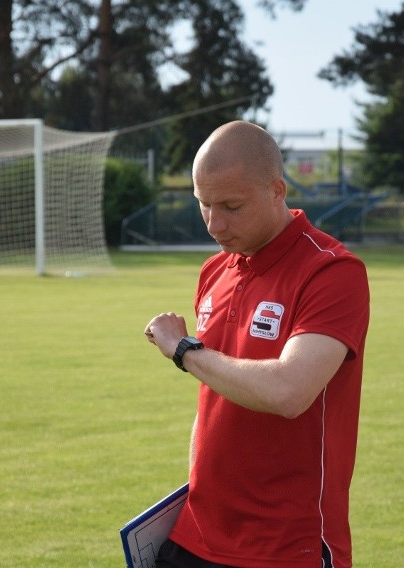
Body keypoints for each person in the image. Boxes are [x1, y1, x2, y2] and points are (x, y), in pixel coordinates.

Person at [144, 120, 370, 568]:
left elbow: (288, 392)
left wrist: (185, 350)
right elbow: (211, 401)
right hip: (196, 536)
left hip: (287, 546)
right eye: (204, 205)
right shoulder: (214, 271)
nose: (214, 224)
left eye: (231, 206)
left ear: (277, 190)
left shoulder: (332, 272)